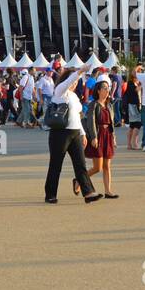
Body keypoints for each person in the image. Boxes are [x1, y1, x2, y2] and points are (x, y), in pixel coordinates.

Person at [44, 66, 101, 204]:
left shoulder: (74, 96)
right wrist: (79, 72)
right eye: (73, 81)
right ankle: (50, 194)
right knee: (56, 164)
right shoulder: (59, 91)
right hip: (60, 133)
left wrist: (83, 134)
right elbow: (68, 82)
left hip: (75, 132)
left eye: (77, 82)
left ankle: (88, 193)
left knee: (80, 164)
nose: (75, 84)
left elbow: (77, 116)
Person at [81, 79, 119, 198]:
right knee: (97, 168)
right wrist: (93, 137)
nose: (107, 90)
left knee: (107, 166)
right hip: (98, 135)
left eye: (108, 88)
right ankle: (79, 180)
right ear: (98, 91)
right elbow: (91, 122)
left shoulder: (109, 105)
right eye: (105, 88)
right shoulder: (94, 104)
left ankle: (108, 191)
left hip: (107, 135)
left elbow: (111, 123)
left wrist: (113, 137)